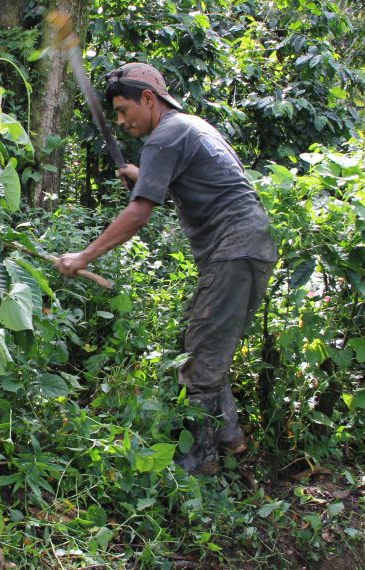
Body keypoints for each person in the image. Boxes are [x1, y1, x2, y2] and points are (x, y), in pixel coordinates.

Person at [55, 62, 277, 474]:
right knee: (206, 343)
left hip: (233, 251)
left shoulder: (163, 137)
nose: (121, 122)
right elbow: (200, 184)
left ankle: (198, 467)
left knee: (199, 361)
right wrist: (143, 177)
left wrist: (83, 256)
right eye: (115, 115)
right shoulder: (192, 126)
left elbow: (139, 216)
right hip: (250, 248)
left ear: (148, 99)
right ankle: (231, 440)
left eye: (124, 111)